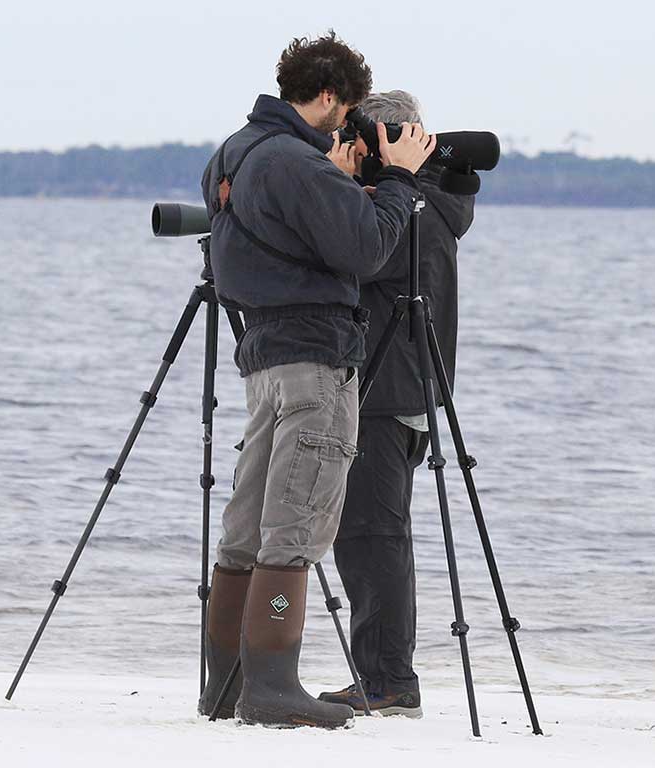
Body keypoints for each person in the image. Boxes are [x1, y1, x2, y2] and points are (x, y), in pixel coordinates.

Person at [197, 35, 436, 730]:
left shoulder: (233, 153)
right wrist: (399, 181)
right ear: (329, 95)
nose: (348, 125)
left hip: (264, 356)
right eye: (348, 108)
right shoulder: (297, 162)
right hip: (316, 359)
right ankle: (272, 686)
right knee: (296, 523)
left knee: (247, 524)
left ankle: (225, 687)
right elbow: (368, 248)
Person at [318, 91, 475, 717]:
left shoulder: (409, 210)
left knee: (370, 535)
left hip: (387, 392)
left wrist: (336, 188)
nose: (349, 148)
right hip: (405, 389)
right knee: (375, 533)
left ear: (383, 142)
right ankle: (383, 676)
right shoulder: (429, 202)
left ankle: (388, 682)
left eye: (357, 139)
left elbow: (354, 257)